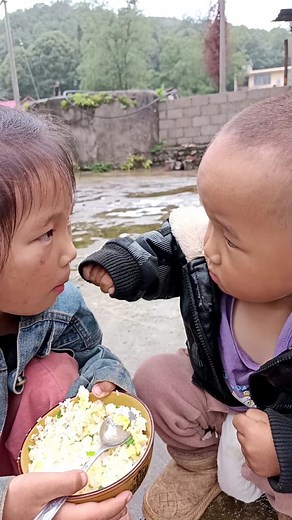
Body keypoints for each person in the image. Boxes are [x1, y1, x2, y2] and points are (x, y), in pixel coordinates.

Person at [78, 92, 292, 520]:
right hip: (218, 393)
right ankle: (199, 466)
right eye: (211, 220)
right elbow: (166, 250)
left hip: (280, 420)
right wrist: (124, 265)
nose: (209, 247)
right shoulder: (203, 248)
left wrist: (284, 448)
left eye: (229, 238)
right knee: (156, 378)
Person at [0, 106, 134, 520]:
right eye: (46, 233)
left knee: (56, 374)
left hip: (23, 454)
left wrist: (106, 382)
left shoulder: (58, 306)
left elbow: (95, 354)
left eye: (68, 224)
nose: (72, 251)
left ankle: (67, 493)